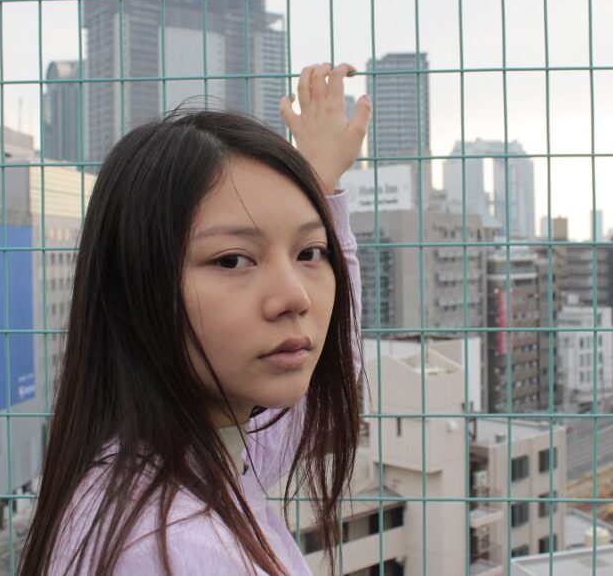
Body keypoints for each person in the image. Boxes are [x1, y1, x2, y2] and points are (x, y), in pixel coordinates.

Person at [19, 63, 372, 575]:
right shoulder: (180, 548)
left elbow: (325, 371)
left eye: (310, 252)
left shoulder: (179, 458)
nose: (295, 297)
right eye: (232, 260)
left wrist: (317, 183)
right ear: (137, 287)